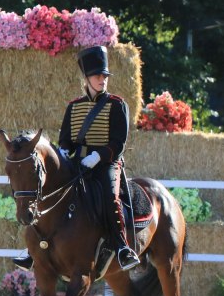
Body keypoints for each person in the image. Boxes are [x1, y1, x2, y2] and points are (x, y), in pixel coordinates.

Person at [14, 46, 138, 271]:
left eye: (105, 76)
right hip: (78, 162)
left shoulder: (117, 104)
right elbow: (66, 139)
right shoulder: (74, 106)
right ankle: (33, 250)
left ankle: (122, 247)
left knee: (110, 196)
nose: (102, 80)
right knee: (48, 191)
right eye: (97, 76)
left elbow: (119, 143)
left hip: (106, 162)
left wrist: (98, 156)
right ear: (87, 78)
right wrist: (63, 151)